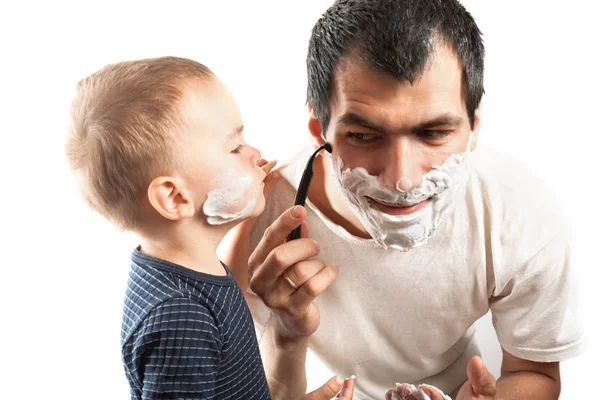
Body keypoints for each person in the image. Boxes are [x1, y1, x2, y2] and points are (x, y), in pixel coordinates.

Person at [224, 1, 585, 399]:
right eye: (363, 136)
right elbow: (255, 387)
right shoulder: (263, 224)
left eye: (434, 133)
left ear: (474, 126)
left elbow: (535, 372)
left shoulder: (522, 216)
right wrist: (285, 336)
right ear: (319, 129)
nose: (400, 179)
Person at [65, 56, 355, 399]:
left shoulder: (186, 274)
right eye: (235, 148)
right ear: (174, 198)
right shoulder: (180, 318)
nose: (255, 152)